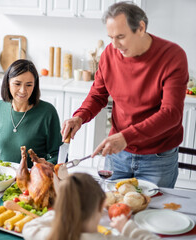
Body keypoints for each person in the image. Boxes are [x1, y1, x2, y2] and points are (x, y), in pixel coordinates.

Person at [61, 2, 188, 188]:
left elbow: (171, 114)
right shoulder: (109, 54)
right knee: (113, 209)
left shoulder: (172, 56)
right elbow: (98, 95)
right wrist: (80, 117)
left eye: (121, 36)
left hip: (157, 157)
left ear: (141, 28)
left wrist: (127, 136)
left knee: (152, 212)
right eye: (111, 37)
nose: (114, 45)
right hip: (117, 155)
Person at [0, 59, 62, 168]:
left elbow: (58, 155)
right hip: (1, 176)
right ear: (7, 83)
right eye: (17, 84)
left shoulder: (47, 112)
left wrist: (48, 164)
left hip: (32, 179)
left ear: (35, 86)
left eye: (29, 85)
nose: (23, 90)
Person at [22, 173, 160, 240]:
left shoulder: (45, 235)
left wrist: (63, 212)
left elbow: (29, 227)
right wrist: (128, 228)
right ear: (101, 206)